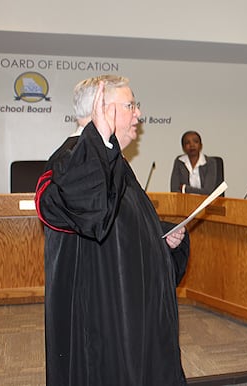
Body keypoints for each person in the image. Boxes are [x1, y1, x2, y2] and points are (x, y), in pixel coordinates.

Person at [35, 75, 190, 386]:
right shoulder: (71, 161)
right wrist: (100, 138)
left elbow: (121, 223)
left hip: (129, 310)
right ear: (101, 110)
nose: (138, 115)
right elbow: (92, 214)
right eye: (130, 105)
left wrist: (160, 235)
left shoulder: (109, 159)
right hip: (103, 321)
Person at [170, 130, 224, 195]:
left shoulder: (210, 163)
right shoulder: (179, 162)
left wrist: (185, 188)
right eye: (187, 143)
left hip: (205, 203)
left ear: (201, 145)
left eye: (195, 142)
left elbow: (207, 191)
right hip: (185, 202)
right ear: (183, 147)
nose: (192, 145)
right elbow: (174, 189)